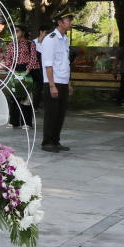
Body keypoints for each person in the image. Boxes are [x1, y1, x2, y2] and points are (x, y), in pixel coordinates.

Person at [39, 14, 73, 153]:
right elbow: (48, 63)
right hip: (53, 81)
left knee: (60, 114)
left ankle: (55, 140)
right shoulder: (50, 39)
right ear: (60, 22)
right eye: (68, 20)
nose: (71, 23)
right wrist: (52, 85)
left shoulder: (65, 39)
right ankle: (47, 142)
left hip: (63, 80)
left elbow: (66, 63)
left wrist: (69, 83)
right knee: (51, 113)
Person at [0, 25, 37, 128]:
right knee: (14, 96)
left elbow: (33, 58)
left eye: (17, 31)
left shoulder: (30, 44)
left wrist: (27, 71)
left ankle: (26, 122)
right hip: (14, 70)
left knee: (26, 98)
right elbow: (8, 59)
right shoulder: (11, 44)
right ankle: (13, 122)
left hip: (26, 71)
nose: (15, 33)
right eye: (13, 31)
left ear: (23, 31)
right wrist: (12, 70)